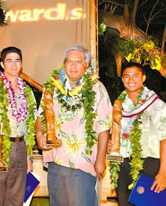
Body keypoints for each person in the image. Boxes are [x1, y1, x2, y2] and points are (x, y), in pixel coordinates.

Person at [35, 45, 112, 206]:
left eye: (78, 61)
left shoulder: (97, 89)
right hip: (56, 159)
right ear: (63, 64)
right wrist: (39, 134)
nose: (73, 66)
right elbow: (41, 116)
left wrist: (100, 160)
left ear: (86, 66)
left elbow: (104, 127)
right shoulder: (52, 88)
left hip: (83, 162)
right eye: (69, 61)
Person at [0, 46, 37, 206]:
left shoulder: (28, 93)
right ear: (3, 64)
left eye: (17, 60)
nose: (13, 64)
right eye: (9, 60)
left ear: (21, 64)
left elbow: (30, 127)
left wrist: (29, 157)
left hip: (21, 149)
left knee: (17, 201)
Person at [109, 62, 166, 206]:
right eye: (127, 76)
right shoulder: (118, 105)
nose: (131, 80)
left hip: (150, 163)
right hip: (123, 163)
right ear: (122, 80)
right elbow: (115, 133)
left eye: (135, 76)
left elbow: (164, 139)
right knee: (124, 202)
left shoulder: (156, 105)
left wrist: (163, 172)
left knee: (150, 203)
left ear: (143, 78)